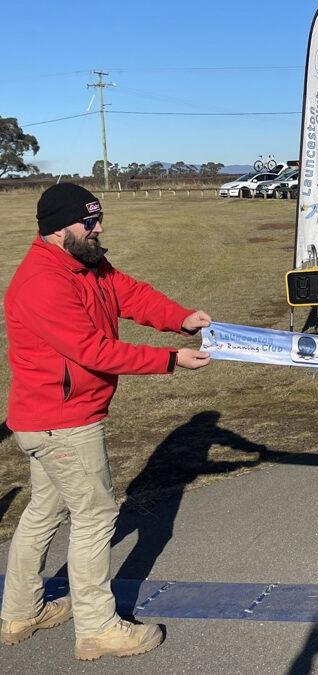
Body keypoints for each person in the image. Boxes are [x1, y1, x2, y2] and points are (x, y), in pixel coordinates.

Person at [0, 183, 212, 660]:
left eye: (98, 218)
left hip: (52, 418)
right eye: (89, 222)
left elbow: (130, 294)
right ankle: (97, 626)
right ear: (58, 230)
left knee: (44, 512)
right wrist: (170, 359)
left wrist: (183, 319)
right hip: (62, 421)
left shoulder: (87, 264)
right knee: (95, 516)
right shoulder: (43, 281)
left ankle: (18, 613)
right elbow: (93, 350)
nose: (98, 229)